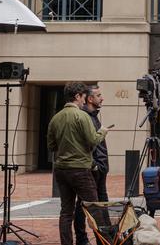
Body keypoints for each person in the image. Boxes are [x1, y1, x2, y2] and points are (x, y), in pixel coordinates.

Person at [49, 81, 111, 245]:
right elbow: (92, 141)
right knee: (94, 209)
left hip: (61, 170)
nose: (84, 101)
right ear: (77, 96)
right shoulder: (82, 116)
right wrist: (103, 131)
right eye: (83, 97)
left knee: (66, 212)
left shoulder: (56, 118)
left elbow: (51, 146)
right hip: (81, 170)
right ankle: (105, 242)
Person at [73, 84, 110, 245]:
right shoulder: (84, 117)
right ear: (89, 98)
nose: (102, 98)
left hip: (101, 169)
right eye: (98, 95)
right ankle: (83, 239)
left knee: (101, 206)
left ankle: (104, 239)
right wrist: (94, 165)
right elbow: (84, 143)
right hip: (92, 170)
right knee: (86, 206)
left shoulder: (93, 115)